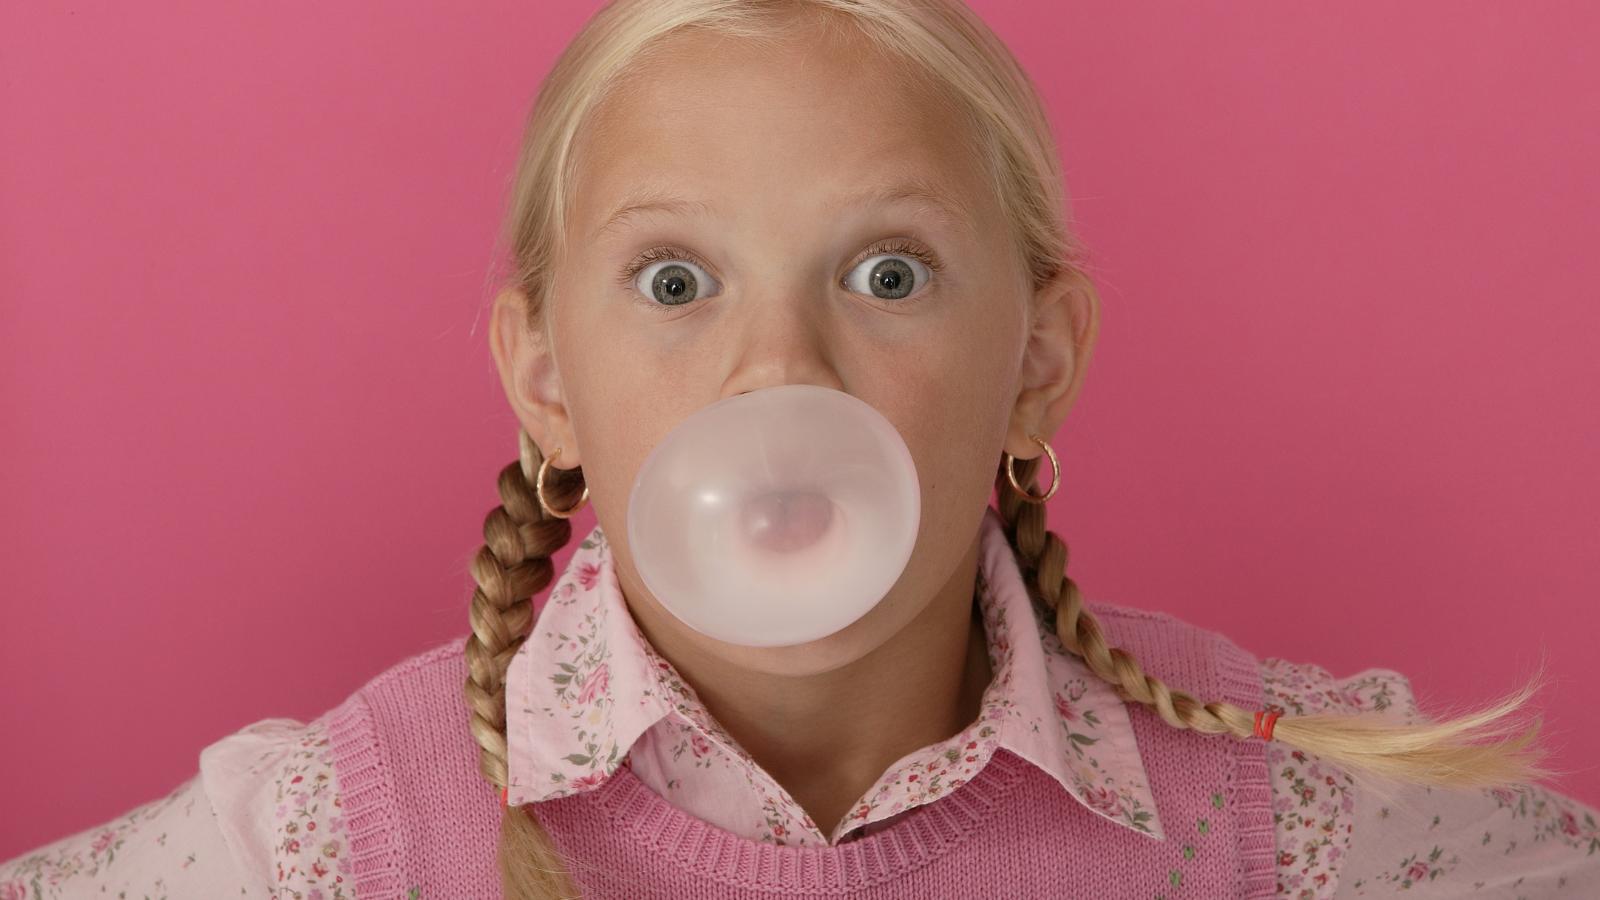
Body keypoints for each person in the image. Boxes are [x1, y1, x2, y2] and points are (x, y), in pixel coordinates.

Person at [5, 1, 1597, 898]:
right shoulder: (336, 842)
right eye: (677, 282)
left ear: (1035, 363)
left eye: (887, 274)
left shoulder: (1276, 820)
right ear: (548, 379)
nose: (781, 365)